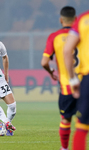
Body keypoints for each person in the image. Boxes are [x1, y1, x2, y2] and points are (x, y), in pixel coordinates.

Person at [41, 6, 80, 150]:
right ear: (76, 19)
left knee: (66, 119)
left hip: (67, 86)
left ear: (60, 20)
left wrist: (51, 71)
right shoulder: (83, 34)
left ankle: (64, 148)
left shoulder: (54, 36)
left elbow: (44, 62)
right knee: (84, 121)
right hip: (85, 84)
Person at [64, 10, 89, 150]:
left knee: (82, 126)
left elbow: (67, 51)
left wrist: (73, 80)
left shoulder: (83, 19)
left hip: (88, 78)